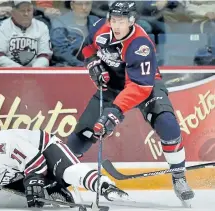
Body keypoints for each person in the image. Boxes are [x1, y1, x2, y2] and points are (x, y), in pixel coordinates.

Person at [66, 1, 194, 207]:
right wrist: (93, 64)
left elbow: (139, 88)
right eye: (113, 20)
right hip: (112, 87)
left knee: (168, 125)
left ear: (132, 21)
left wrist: (114, 112)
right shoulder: (101, 26)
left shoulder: (140, 44)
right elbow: (87, 48)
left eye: (122, 21)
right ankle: (55, 178)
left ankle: (179, 176)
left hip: (146, 85)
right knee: (82, 135)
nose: (116, 25)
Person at [0, 129, 128, 208]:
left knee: (69, 172)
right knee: (3, 200)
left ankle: (105, 186)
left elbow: (36, 161)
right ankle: (53, 189)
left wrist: (34, 182)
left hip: (44, 148)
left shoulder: (2, 144)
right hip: (25, 169)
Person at [0, 0, 52, 67]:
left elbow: (45, 55)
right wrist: (20, 70)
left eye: (29, 10)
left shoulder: (42, 27)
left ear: (33, 11)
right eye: (22, 11)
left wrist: (34, 71)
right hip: (9, 72)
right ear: (13, 13)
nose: (26, 14)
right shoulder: (3, 27)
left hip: (35, 72)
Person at [50, 0, 101, 67]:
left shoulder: (96, 22)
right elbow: (60, 51)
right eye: (79, 4)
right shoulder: (60, 23)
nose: (84, 7)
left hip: (93, 65)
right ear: (72, 5)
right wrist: (81, 64)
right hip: (68, 66)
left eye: (87, 3)